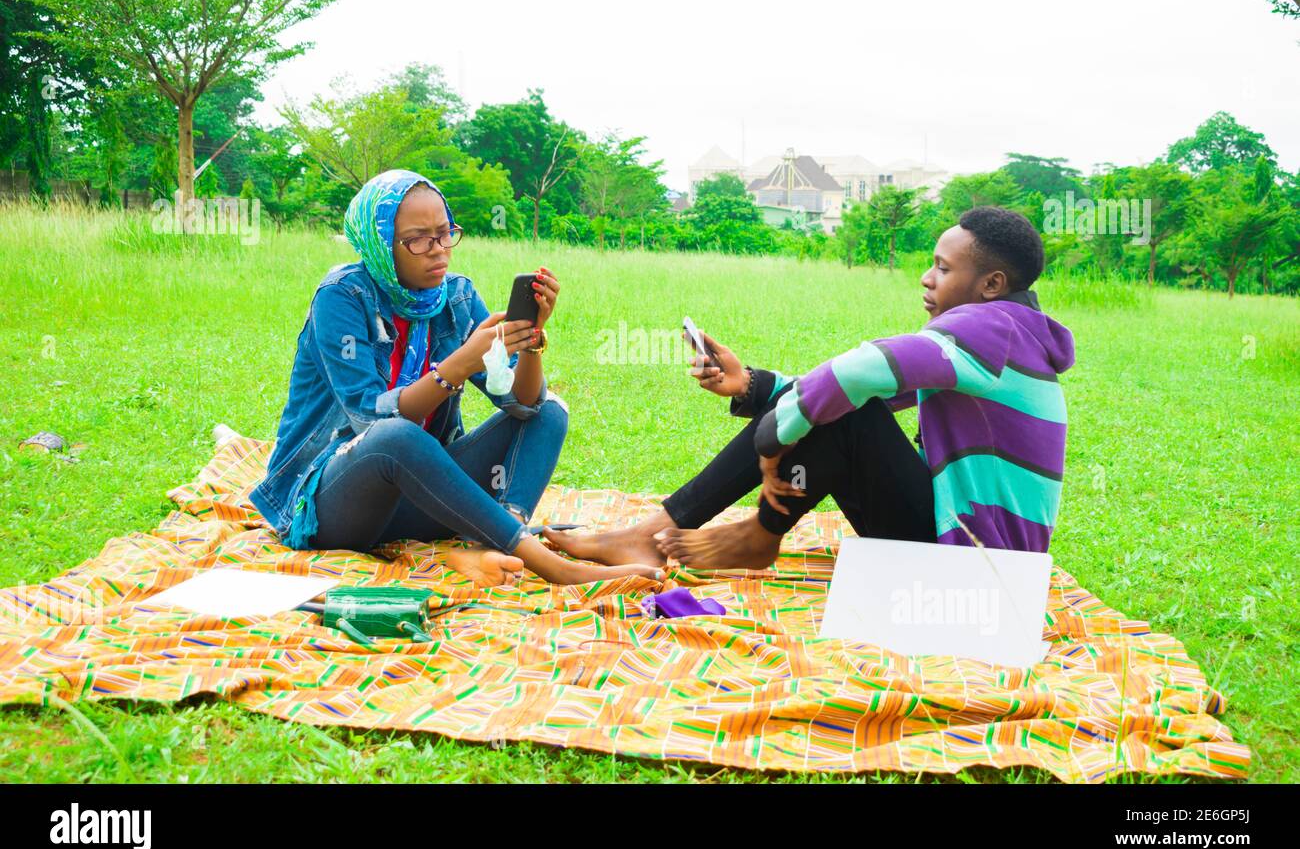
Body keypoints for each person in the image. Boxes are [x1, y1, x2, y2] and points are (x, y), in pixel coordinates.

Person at [546, 206, 1075, 570]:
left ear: (991, 285)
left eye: (942, 267)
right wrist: (753, 385)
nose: (927, 278)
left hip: (977, 567)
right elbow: (856, 389)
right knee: (838, 406)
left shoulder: (991, 330)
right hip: (970, 548)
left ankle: (754, 535)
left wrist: (774, 435)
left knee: (840, 407)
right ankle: (673, 534)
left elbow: (862, 371)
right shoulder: (1009, 336)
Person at [250, 169, 661, 586]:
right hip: (336, 506)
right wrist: (459, 365)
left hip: (423, 497)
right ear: (379, 243)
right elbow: (367, 418)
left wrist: (531, 342)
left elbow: (520, 403)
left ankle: (499, 541)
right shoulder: (342, 297)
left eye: (446, 233)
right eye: (418, 239)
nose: (439, 251)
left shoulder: (457, 298)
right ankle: (552, 565)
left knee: (548, 410)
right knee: (395, 436)